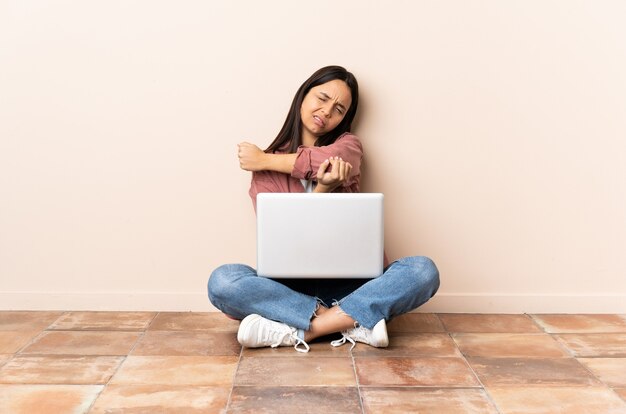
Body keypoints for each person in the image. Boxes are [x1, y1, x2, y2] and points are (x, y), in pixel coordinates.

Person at [208, 65, 439, 353]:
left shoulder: (348, 147)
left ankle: (298, 330)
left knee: (422, 271)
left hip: (354, 284)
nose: (328, 111)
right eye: (322, 98)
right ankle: (351, 321)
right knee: (223, 281)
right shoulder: (266, 176)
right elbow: (290, 241)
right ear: (303, 96)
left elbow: (323, 162)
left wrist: (263, 159)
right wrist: (322, 190)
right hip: (290, 288)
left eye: (339, 108)